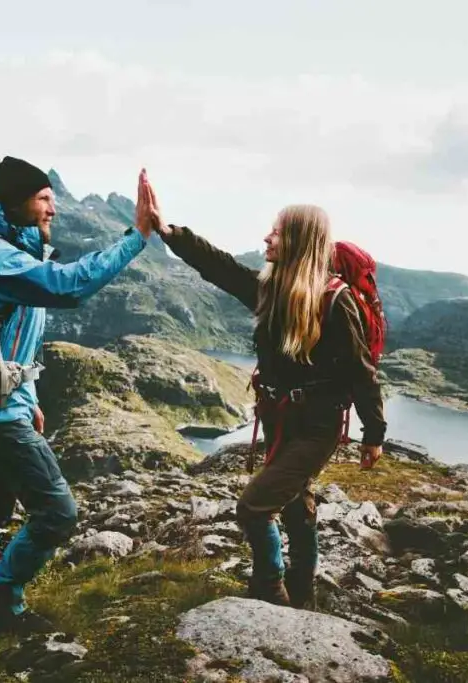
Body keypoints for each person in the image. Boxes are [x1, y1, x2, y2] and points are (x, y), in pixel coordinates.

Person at [136, 174, 385, 609]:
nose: (266, 237)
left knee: (253, 507)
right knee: (293, 506)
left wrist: (374, 434)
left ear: (299, 241)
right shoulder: (270, 290)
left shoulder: (335, 301)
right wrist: (167, 230)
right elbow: (219, 267)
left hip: (316, 427)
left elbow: (362, 373)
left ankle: (270, 588)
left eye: (276, 231)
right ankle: (304, 595)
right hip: (280, 417)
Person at [0, 157, 156, 635]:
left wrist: (31, 395)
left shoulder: (16, 252)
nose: (52, 209)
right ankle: (2, 599)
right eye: (43, 199)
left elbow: (16, 337)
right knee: (58, 514)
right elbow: (69, 287)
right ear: (15, 203)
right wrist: (136, 236)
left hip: (1, 402)